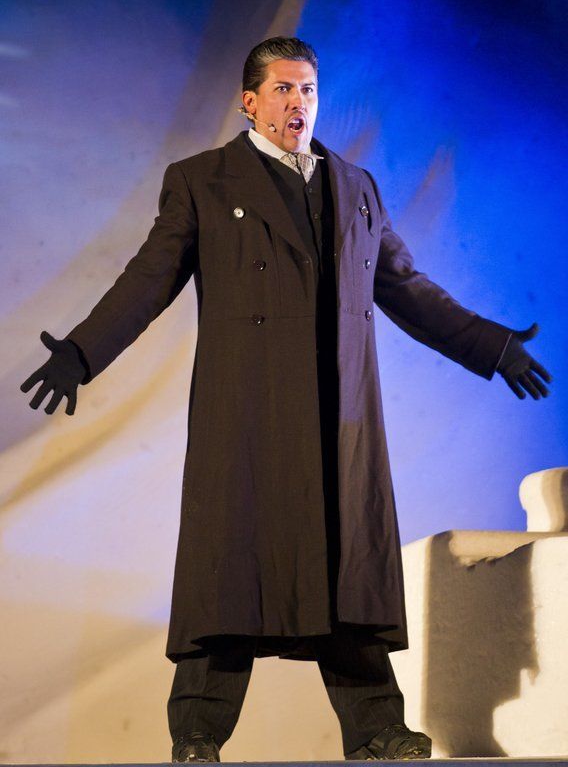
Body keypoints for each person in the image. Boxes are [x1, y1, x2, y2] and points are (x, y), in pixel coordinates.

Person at [21, 37, 551, 762]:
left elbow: (405, 287)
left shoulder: (355, 186)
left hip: (340, 412)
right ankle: (197, 734)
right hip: (249, 410)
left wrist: (492, 345)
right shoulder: (203, 181)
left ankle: (377, 728)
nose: (298, 103)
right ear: (250, 102)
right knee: (229, 572)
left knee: (347, 570)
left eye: (308, 90)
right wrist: (82, 353)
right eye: (282, 89)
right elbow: (149, 278)